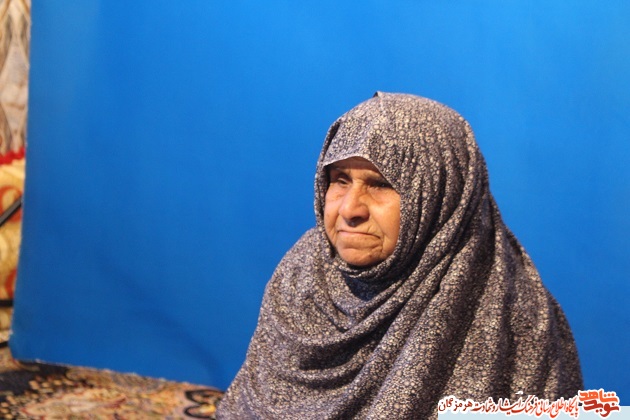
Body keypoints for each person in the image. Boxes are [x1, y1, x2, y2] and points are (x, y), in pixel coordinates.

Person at [216, 92, 582, 419]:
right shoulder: (304, 273)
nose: (350, 209)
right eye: (340, 180)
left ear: (441, 197)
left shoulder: (509, 314)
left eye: (380, 184)